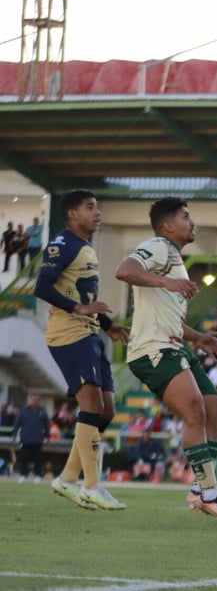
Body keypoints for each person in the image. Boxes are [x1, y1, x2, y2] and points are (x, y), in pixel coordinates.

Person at [115, 196, 217, 525]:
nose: (193, 222)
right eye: (186, 216)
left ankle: (200, 488)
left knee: (215, 410)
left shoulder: (173, 257)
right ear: (168, 225)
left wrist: (199, 338)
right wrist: (166, 280)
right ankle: (210, 494)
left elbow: (167, 316)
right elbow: (124, 270)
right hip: (153, 350)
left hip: (175, 346)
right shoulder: (158, 247)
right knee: (195, 411)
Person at [35, 190, 129, 510]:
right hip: (68, 333)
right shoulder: (62, 245)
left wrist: (106, 324)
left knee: (107, 411)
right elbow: (42, 286)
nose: (98, 213)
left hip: (90, 333)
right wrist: (76, 308)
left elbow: (85, 296)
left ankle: (67, 478)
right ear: (73, 214)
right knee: (90, 404)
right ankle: (91, 485)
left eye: (98, 207)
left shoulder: (86, 248)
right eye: (91, 207)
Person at [11, 394, 50, 483]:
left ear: (38, 401)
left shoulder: (42, 411)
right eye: (32, 400)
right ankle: (22, 475)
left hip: (38, 439)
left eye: (36, 400)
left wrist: (47, 436)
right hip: (25, 439)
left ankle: (38, 475)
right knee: (24, 458)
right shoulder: (23, 411)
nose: (34, 401)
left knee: (38, 459)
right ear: (29, 401)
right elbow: (17, 423)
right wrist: (14, 434)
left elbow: (47, 425)